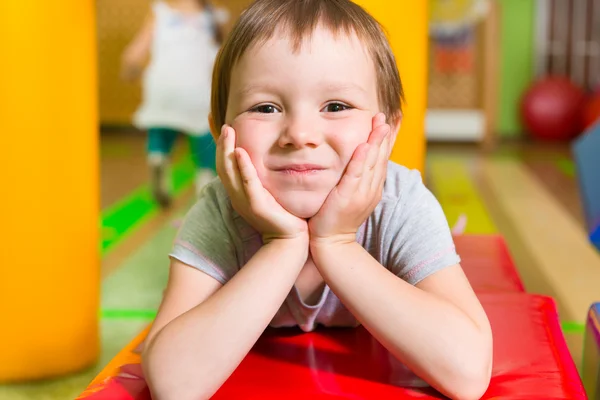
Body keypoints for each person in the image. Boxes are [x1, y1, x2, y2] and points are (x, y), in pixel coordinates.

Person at [141, 0, 493, 399]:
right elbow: (173, 385)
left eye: (336, 106)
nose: (300, 134)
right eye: (266, 107)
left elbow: (468, 374)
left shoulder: (401, 203)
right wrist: (284, 244)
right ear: (221, 131)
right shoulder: (220, 212)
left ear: (388, 131)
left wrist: (336, 243)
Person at [121, 0, 228, 206]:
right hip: (196, 88)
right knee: (205, 131)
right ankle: (204, 178)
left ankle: (157, 156)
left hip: (162, 85)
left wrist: (129, 69)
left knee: (161, 127)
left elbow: (135, 53)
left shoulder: (160, 12)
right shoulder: (213, 17)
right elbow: (221, 58)